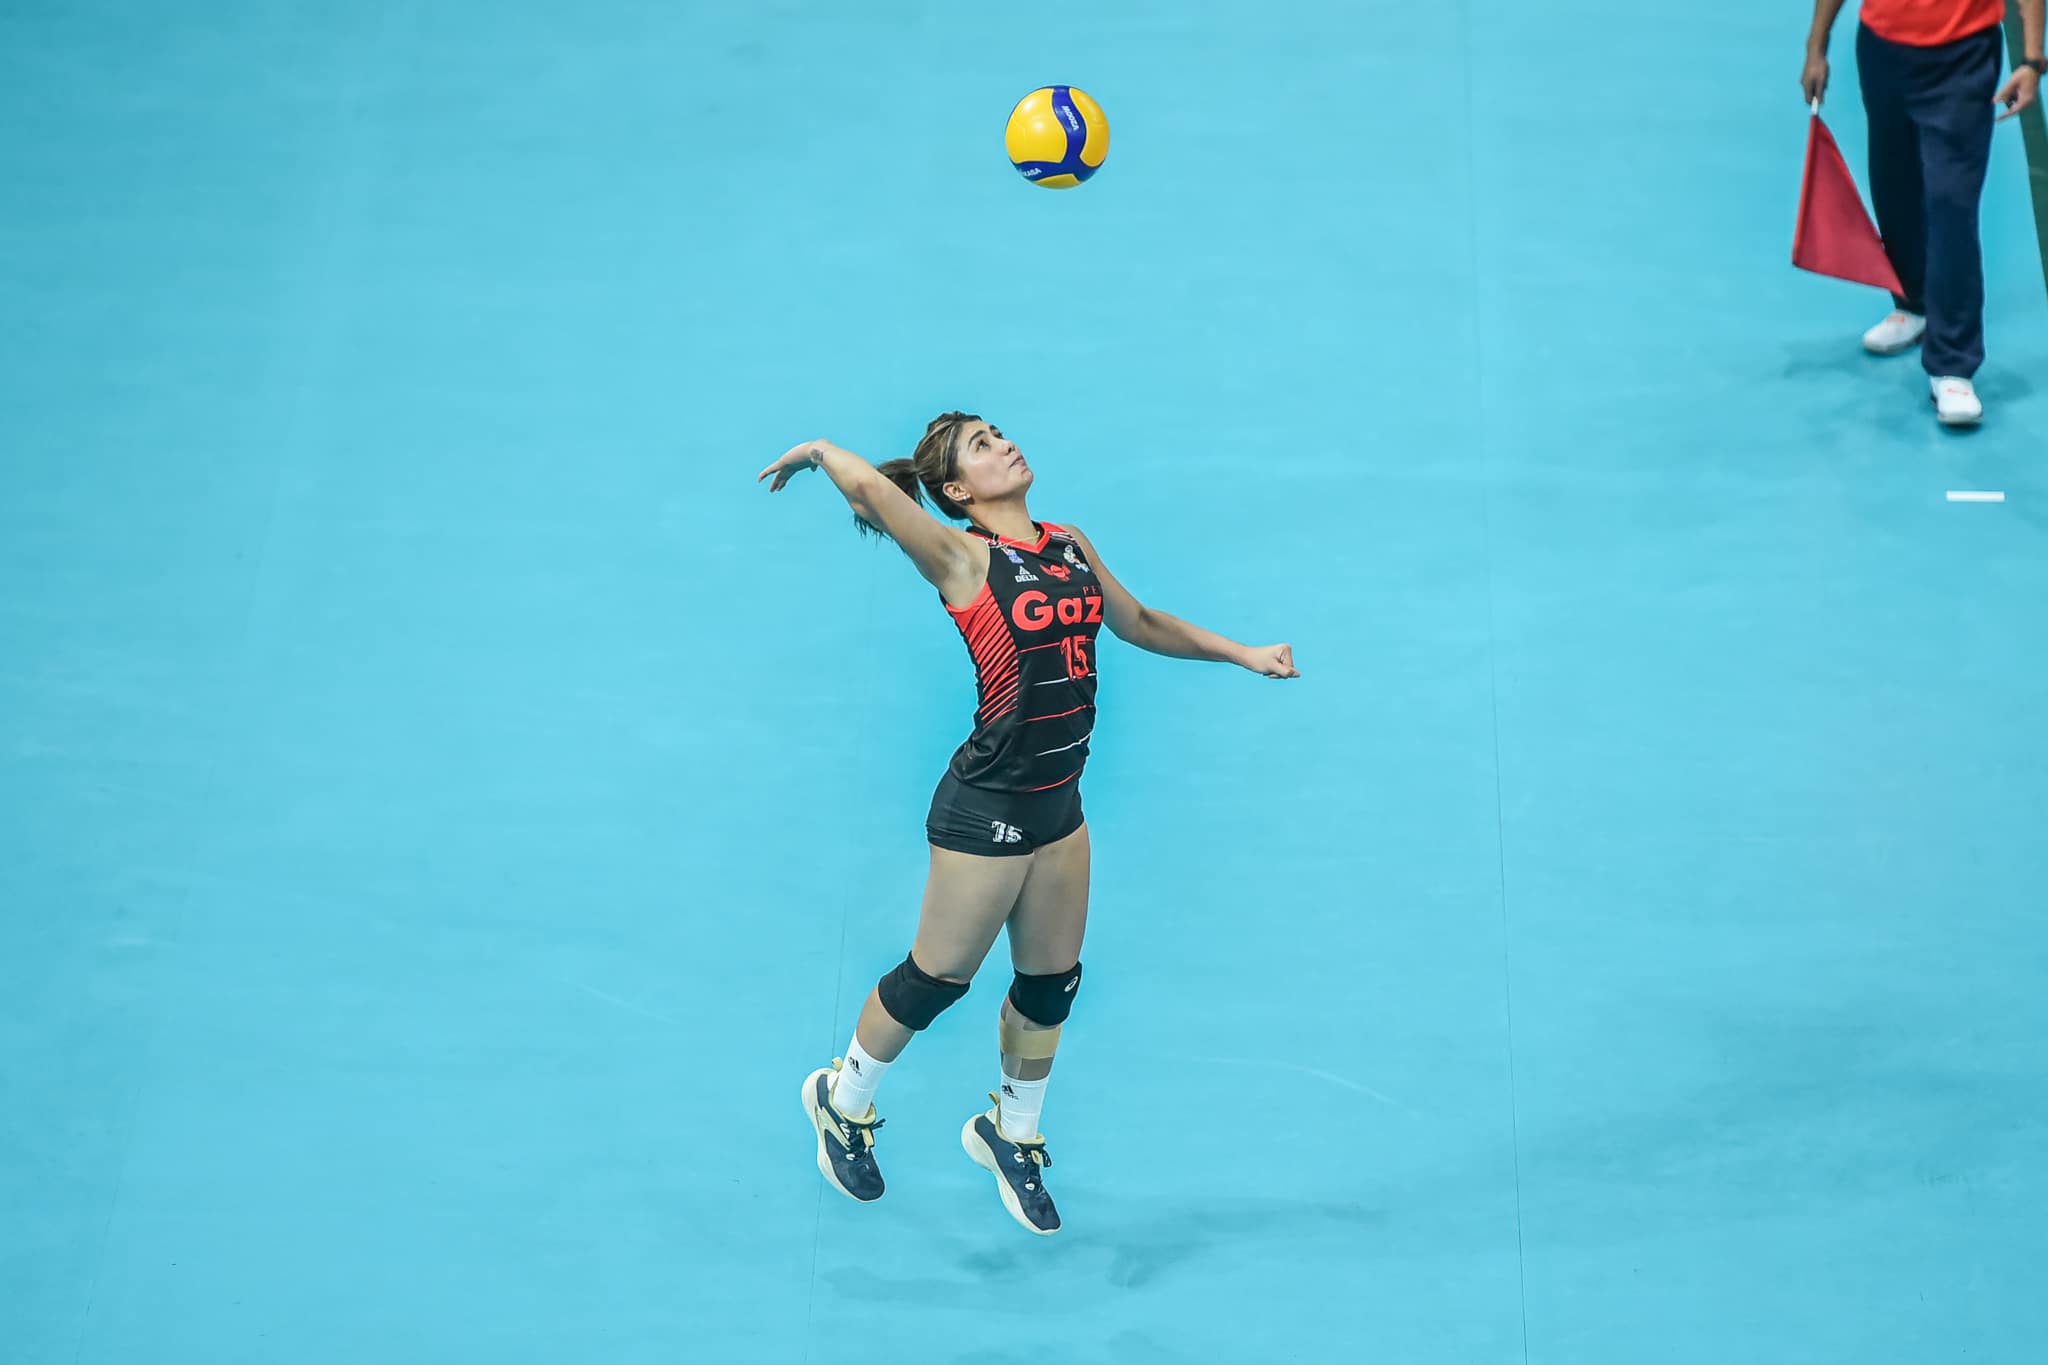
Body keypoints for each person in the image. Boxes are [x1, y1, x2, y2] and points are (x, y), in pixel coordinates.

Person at [755, 414, 1299, 1235]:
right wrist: (817, 451)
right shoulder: (962, 557)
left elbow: (1140, 622)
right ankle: (841, 1097)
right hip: (988, 807)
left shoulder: (1069, 545)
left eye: (999, 432)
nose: (1004, 443)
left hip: (1059, 803)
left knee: (1051, 985)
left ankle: (1009, 1132)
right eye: (981, 444)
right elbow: (870, 487)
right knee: (936, 980)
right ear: (957, 492)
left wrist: (1244, 652)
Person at [1802, 0, 2043, 426]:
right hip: (1883, 52)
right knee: (1894, 189)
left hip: (1963, 59)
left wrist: (2031, 59)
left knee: (1952, 206)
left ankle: (1953, 363)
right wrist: (1816, 48)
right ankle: (1913, 303)